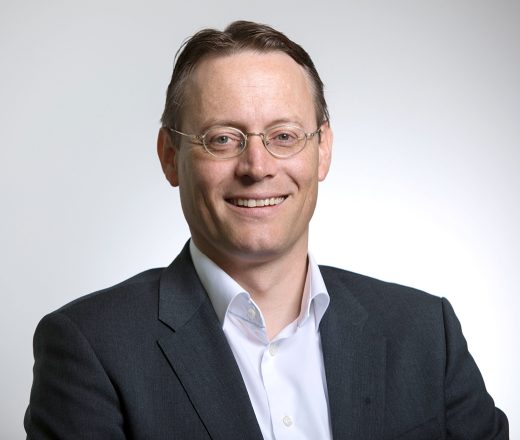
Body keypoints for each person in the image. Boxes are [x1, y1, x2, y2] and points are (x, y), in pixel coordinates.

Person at [25, 20, 508, 440]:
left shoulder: (425, 333)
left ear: (323, 150)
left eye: (284, 136)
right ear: (170, 157)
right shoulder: (91, 348)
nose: (257, 166)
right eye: (222, 139)